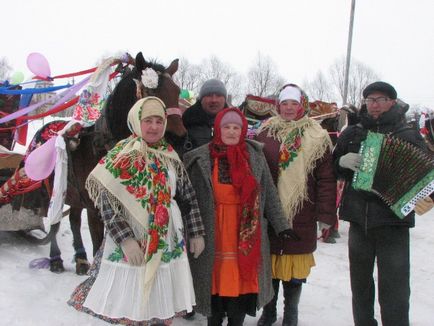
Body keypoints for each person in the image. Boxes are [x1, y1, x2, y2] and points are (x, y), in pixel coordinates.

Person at [68, 97, 206, 325]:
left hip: (168, 238)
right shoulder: (122, 155)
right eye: (148, 120)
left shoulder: (170, 155)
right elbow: (107, 201)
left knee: (162, 303)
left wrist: (197, 232)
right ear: (136, 121)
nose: (154, 127)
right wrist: (125, 240)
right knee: (134, 304)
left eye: (159, 121)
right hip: (134, 240)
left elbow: (187, 195)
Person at [183, 107, 297, 326]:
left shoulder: (255, 156)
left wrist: (282, 225)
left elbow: (269, 194)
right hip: (213, 233)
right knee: (212, 289)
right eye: (227, 127)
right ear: (218, 129)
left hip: (246, 236)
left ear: (243, 129)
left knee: (241, 289)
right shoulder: (198, 159)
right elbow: (188, 198)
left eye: (237, 127)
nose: (232, 131)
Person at [333, 81, 434, 326]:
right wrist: (341, 162)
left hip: (393, 223)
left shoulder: (407, 134)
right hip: (358, 220)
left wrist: (421, 198)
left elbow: (426, 175)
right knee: (360, 285)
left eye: (380, 99)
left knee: (395, 287)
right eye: (370, 100)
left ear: (391, 102)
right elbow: (332, 165)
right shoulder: (353, 132)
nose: (374, 105)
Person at [255, 84, 337, 326]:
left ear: (302, 105)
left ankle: (291, 313)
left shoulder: (317, 135)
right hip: (270, 212)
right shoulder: (265, 133)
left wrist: (325, 214)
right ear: (278, 106)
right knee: (270, 267)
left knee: (294, 272)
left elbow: (326, 179)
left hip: (302, 212)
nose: (289, 108)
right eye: (285, 103)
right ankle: (268, 312)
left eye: (294, 103)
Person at [182, 79, 228, 152]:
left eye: (218, 95)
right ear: (201, 99)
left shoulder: (235, 124)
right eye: (209, 95)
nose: (214, 100)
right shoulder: (186, 122)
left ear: (225, 99)